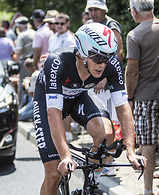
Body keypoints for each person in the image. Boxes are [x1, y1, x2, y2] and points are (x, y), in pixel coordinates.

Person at [33, 22, 146, 195]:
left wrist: (130, 151)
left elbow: (123, 108)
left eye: (107, 58)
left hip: (77, 97)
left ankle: (90, 179)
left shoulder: (111, 64)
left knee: (106, 133)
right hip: (48, 103)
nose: (103, 64)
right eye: (98, 58)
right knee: (53, 173)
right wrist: (64, 156)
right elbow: (53, 113)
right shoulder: (56, 61)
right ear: (83, 52)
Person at [85, 0, 125, 176]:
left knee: (108, 120)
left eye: (96, 9)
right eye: (90, 9)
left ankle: (108, 162)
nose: (93, 13)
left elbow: (119, 53)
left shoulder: (111, 25)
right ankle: (103, 160)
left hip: (106, 82)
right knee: (98, 120)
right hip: (92, 83)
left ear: (104, 10)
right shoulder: (88, 26)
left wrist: (105, 78)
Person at [125, 0, 159, 195]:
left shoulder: (134, 35)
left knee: (148, 144)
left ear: (134, 11)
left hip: (145, 97)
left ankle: (148, 191)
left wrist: (129, 97)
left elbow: (132, 71)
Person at [48, 12, 76, 142]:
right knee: (53, 104)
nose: (59, 26)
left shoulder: (70, 38)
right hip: (53, 73)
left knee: (65, 103)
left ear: (67, 24)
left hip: (67, 74)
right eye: (56, 23)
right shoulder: (52, 37)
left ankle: (68, 132)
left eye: (62, 23)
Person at [14, 16, 35, 108]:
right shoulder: (34, 32)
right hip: (34, 60)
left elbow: (18, 51)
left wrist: (16, 62)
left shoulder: (21, 35)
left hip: (24, 62)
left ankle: (21, 105)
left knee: (22, 83)